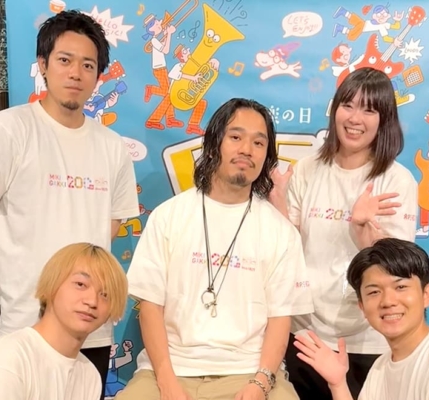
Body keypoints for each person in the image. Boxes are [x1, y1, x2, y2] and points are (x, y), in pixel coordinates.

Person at [0, 10, 140, 400]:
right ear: (43, 64)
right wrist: (19, 266)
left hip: (91, 330)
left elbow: (109, 225)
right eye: (64, 60)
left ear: (98, 75)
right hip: (26, 320)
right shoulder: (9, 129)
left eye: (88, 65)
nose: (76, 73)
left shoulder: (112, 148)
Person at [116, 98, 313, 400]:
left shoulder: (280, 231)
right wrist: (167, 381)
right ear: (212, 145)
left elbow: (280, 318)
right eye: (235, 137)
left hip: (249, 371)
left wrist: (260, 382)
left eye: (258, 143)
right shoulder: (168, 216)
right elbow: (150, 306)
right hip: (168, 369)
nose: (247, 149)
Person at [269, 67, 418, 399]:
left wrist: (362, 229)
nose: (354, 118)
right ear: (335, 109)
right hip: (305, 332)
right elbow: (291, 246)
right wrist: (278, 202)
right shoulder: (308, 169)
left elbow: (396, 272)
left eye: (369, 110)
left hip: (367, 339)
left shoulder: (397, 180)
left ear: (384, 119)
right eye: (347, 105)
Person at [292, 238, 429, 400]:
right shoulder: (380, 368)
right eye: (374, 292)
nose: (388, 301)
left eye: (400, 287)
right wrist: (338, 384)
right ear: (362, 306)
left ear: (426, 295)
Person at [0, 243, 129, 400]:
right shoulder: (10, 357)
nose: (92, 301)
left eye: (105, 294)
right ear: (52, 284)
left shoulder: (89, 375)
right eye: (80, 284)